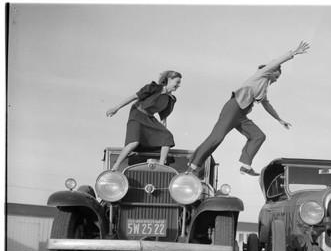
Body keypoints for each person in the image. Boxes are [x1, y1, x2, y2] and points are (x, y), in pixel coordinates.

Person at [187, 41, 310, 176]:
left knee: (258, 136)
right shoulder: (262, 74)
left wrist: (279, 120)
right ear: (272, 71)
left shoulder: (263, 89)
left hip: (241, 115)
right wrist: (293, 54)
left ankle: (246, 165)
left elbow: (267, 105)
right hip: (233, 107)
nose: (276, 80)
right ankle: (193, 165)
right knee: (217, 137)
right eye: (277, 76)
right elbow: (276, 62)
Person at [106, 71, 182, 170]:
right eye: (177, 82)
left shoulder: (171, 99)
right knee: (134, 142)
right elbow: (133, 97)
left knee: (167, 137)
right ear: (169, 80)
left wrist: (162, 132)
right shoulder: (153, 88)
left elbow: (164, 118)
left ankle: (161, 165)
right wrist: (115, 108)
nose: (178, 85)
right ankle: (115, 167)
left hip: (149, 118)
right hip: (137, 114)